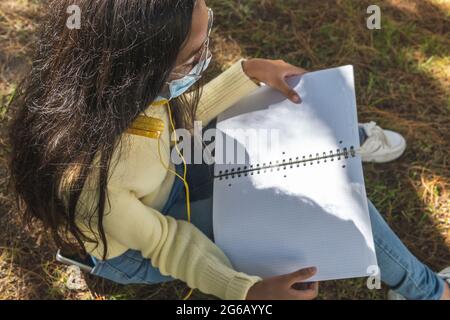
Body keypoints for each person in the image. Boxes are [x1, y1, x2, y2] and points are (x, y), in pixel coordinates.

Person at [8, 0, 449, 300]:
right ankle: (427, 291)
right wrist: (246, 293)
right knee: (340, 204)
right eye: (194, 52)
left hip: (157, 180)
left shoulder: (99, 89)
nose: (205, 57)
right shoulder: (93, 179)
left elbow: (166, 118)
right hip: (138, 247)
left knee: (270, 120)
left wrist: (246, 74)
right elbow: (171, 243)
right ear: (140, 66)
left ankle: (337, 142)